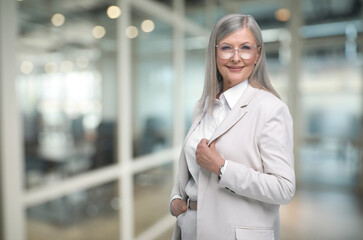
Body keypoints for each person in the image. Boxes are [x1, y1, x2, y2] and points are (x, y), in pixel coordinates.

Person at [169, 14, 295, 240]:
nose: (236, 58)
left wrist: (221, 167)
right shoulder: (203, 106)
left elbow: (283, 188)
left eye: (245, 48)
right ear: (214, 53)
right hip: (191, 230)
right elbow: (192, 170)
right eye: (227, 47)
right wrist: (176, 198)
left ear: (257, 54)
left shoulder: (270, 109)